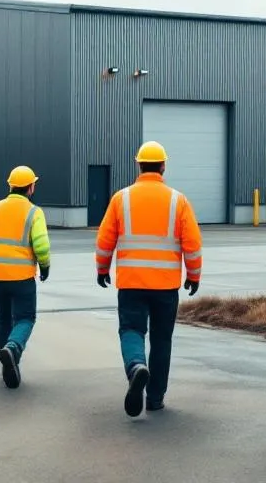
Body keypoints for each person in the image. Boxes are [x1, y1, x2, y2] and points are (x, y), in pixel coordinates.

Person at [95, 141, 203, 417]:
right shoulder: (178, 201)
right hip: (166, 286)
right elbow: (192, 243)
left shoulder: (122, 198)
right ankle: (155, 398)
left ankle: (135, 367)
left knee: (131, 330)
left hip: (131, 282)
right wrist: (193, 275)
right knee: (162, 339)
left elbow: (105, 238)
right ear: (163, 166)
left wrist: (102, 268)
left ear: (138, 165)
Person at [0, 165, 51, 389]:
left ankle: (8, 362)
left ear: (10, 186)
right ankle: (13, 349)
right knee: (25, 318)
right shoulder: (34, 212)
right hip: (22, 277)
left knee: (3, 319)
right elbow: (41, 245)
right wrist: (45, 266)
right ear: (31, 187)